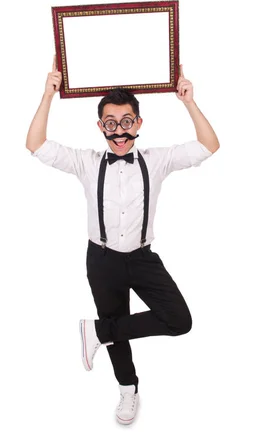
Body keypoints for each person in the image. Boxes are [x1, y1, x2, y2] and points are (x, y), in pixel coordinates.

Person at [26, 57, 220, 425]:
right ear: (101, 126)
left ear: (139, 124)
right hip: (101, 259)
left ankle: (98, 332)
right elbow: (35, 144)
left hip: (143, 258)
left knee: (179, 319)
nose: (119, 132)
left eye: (127, 123)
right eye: (111, 124)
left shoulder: (156, 160)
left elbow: (209, 145)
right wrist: (47, 95)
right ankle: (127, 391)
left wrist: (189, 102)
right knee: (119, 327)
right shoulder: (86, 162)